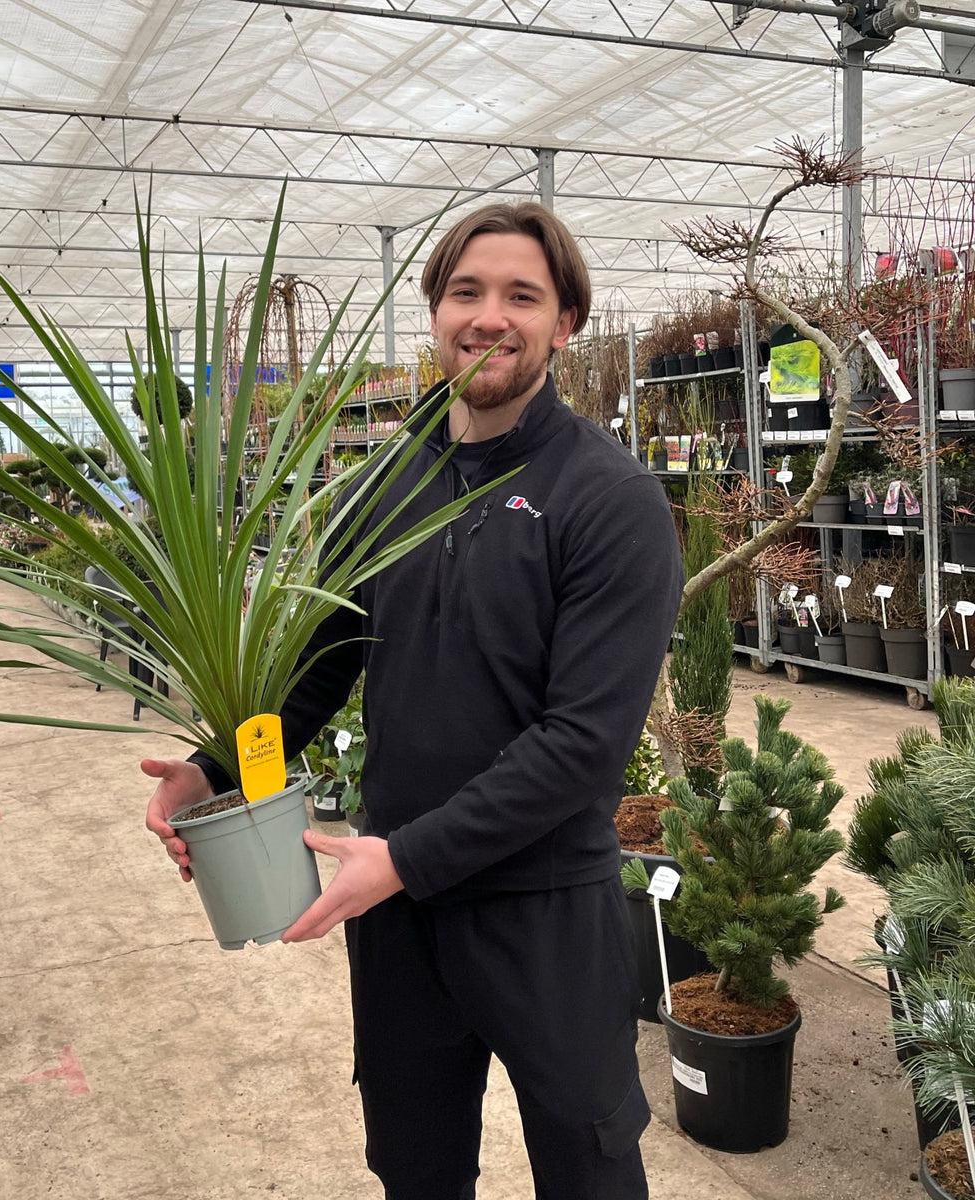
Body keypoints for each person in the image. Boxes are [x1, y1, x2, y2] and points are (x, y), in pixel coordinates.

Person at [144, 202, 683, 1200]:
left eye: (522, 295)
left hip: (543, 909)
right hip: (398, 918)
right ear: (433, 313)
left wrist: (404, 857)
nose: (491, 316)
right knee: (415, 1164)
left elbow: (585, 745)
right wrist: (211, 768)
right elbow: (318, 671)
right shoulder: (382, 482)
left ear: (565, 322)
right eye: (466, 292)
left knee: (590, 1164)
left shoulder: (608, 499)